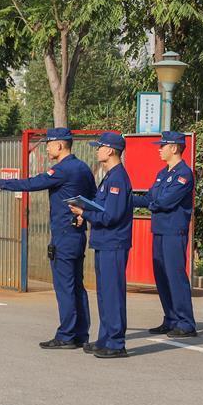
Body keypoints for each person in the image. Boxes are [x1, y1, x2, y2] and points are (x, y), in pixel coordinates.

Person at [0, 127, 96, 349]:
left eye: (49, 144)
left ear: (60, 145)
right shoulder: (83, 168)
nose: (47, 148)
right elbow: (92, 196)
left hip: (64, 235)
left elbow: (32, 184)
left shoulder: (63, 169)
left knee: (65, 286)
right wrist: (85, 216)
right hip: (77, 233)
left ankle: (66, 336)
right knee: (77, 285)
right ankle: (81, 333)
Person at [69, 132, 133, 359]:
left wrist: (85, 213)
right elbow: (103, 209)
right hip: (105, 242)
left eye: (100, 147)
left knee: (113, 293)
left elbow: (112, 216)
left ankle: (116, 343)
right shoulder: (109, 177)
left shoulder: (117, 178)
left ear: (111, 151)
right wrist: (85, 213)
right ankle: (106, 338)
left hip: (113, 243)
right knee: (105, 293)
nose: (97, 150)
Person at [132, 131, 196, 337]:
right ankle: (171, 318)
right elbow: (151, 197)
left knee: (175, 276)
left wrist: (151, 203)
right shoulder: (163, 173)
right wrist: (125, 199)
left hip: (173, 232)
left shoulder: (184, 174)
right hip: (159, 230)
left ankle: (185, 322)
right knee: (161, 276)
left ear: (174, 148)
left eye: (163, 146)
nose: (159, 149)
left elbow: (165, 202)